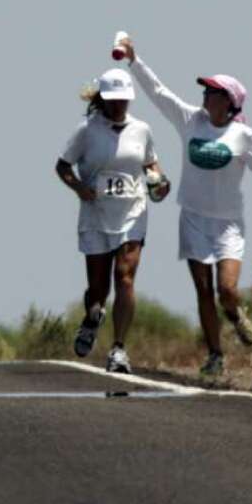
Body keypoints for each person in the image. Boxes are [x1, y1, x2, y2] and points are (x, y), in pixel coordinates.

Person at [117, 38, 252, 376]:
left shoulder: (243, 136)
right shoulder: (190, 120)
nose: (205, 96)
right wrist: (134, 61)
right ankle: (215, 354)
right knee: (203, 290)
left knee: (226, 290)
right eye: (206, 90)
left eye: (213, 92)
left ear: (229, 102)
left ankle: (236, 313)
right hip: (194, 218)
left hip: (228, 224)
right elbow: (158, 93)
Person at [55, 68, 170, 373]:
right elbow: (62, 166)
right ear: (102, 99)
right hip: (96, 214)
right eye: (114, 100)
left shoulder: (142, 130)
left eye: (124, 100)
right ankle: (92, 318)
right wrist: (80, 188)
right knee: (98, 290)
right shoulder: (86, 130)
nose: (120, 106)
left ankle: (118, 349)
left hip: (133, 212)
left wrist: (160, 183)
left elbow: (152, 166)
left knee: (125, 277)